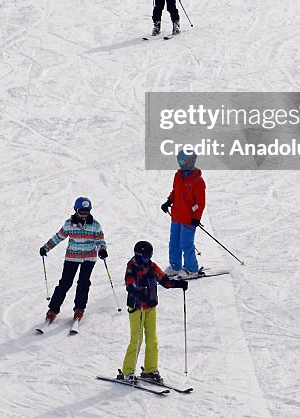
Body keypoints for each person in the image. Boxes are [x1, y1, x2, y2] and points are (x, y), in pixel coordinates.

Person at [118, 240, 187, 384]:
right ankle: (127, 371)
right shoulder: (132, 266)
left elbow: (165, 281)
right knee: (136, 340)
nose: (147, 259)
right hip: (137, 308)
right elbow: (129, 285)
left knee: (152, 340)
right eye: (145, 257)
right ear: (138, 255)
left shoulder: (151, 266)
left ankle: (150, 370)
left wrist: (178, 284)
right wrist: (138, 293)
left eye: (149, 256)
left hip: (150, 307)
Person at [39, 197, 107, 326]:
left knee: (83, 283)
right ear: (76, 210)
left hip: (89, 258)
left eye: (87, 212)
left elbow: (100, 240)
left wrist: (102, 250)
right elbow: (58, 237)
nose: (84, 215)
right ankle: (53, 309)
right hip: (72, 257)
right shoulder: (69, 224)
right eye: (82, 212)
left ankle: (79, 309)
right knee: (65, 283)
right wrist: (46, 247)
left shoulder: (95, 225)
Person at [161, 149, 205, 273]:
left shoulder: (198, 181)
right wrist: (169, 201)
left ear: (191, 161)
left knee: (186, 244)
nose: (180, 164)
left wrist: (196, 217)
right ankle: (175, 267)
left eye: (182, 161)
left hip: (188, 219)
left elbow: (200, 203)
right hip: (176, 216)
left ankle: (191, 268)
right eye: (178, 161)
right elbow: (176, 191)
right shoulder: (178, 175)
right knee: (174, 243)